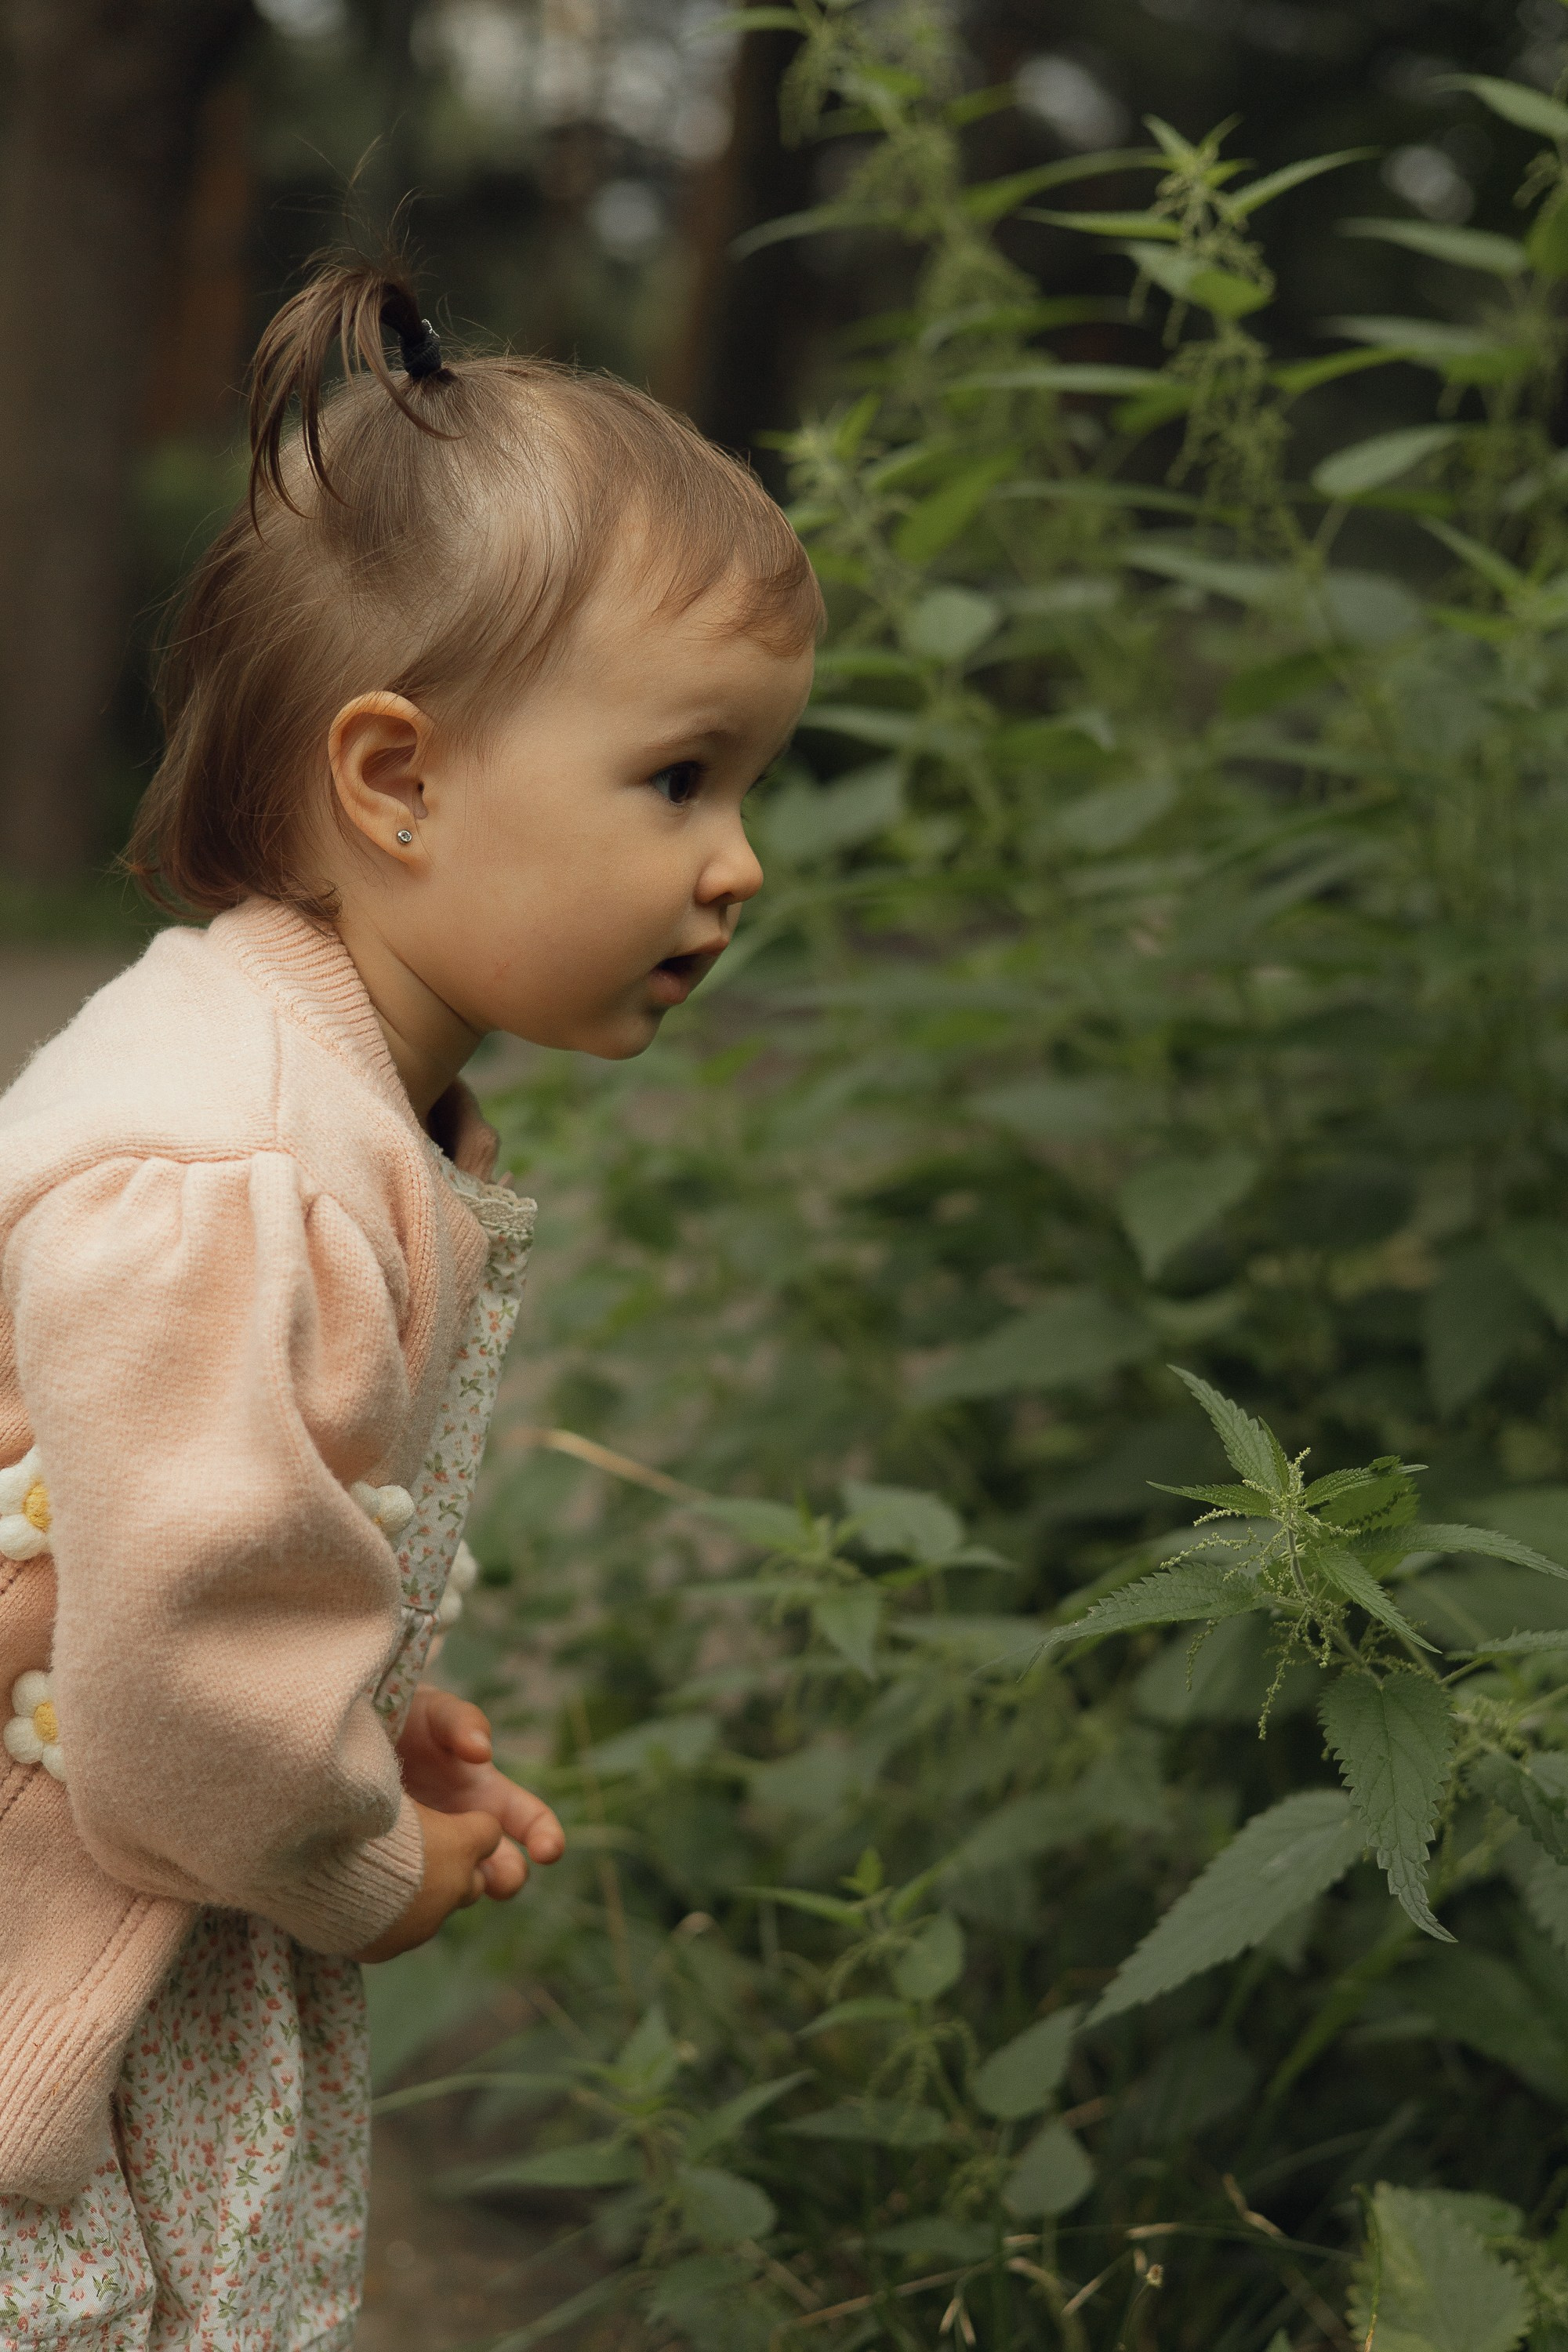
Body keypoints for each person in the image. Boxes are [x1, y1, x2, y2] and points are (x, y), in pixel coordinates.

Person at [0, 254, 820, 2347]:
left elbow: (230, 1551)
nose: (740, 866)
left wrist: (345, 1704)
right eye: (679, 779)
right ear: (395, 780)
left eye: (750, 789)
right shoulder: (240, 1174)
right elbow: (179, 1687)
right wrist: (362, 1861)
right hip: (59, 1935)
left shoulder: (336, 1092)